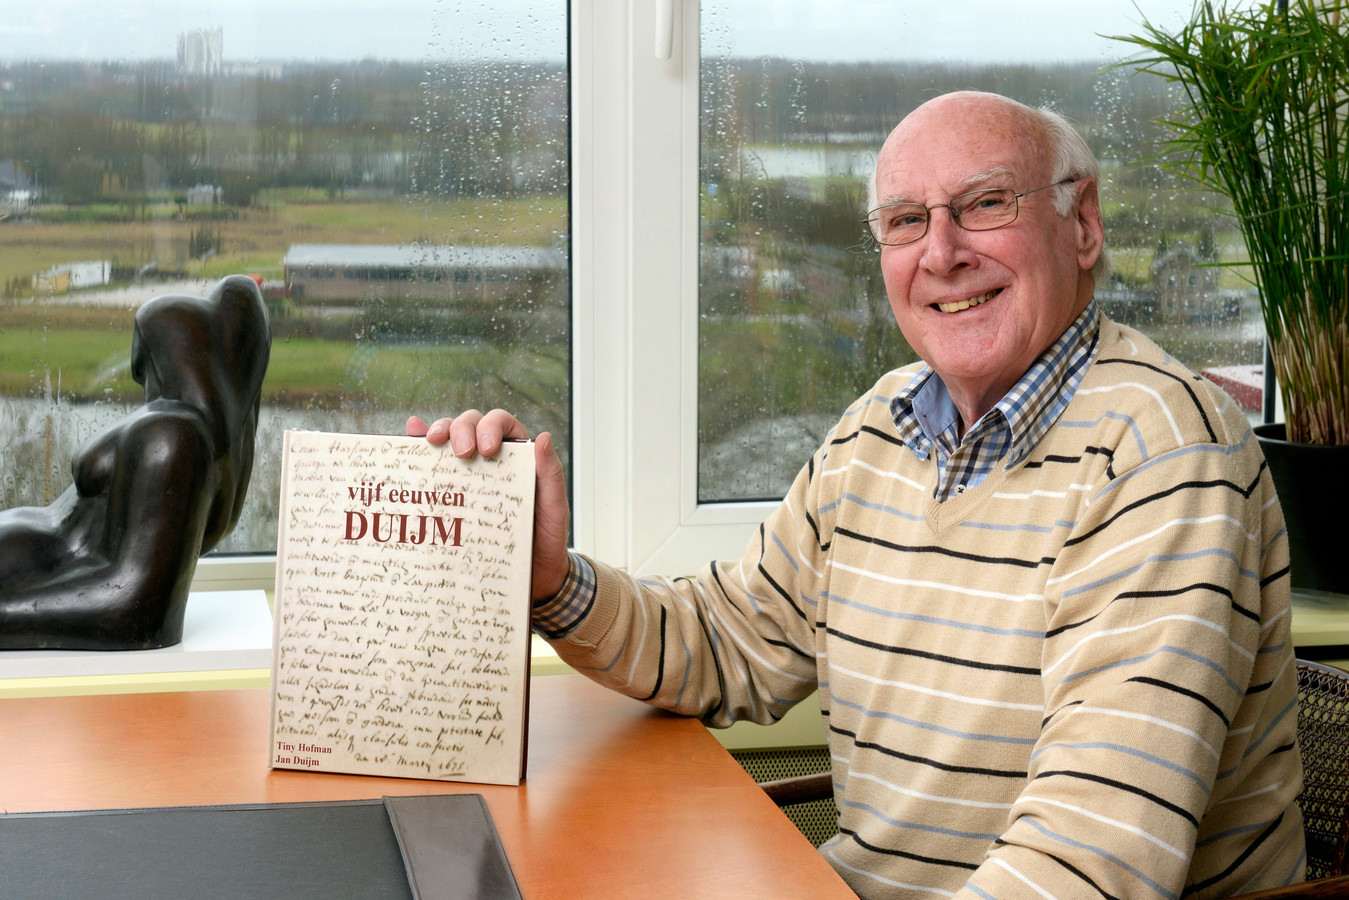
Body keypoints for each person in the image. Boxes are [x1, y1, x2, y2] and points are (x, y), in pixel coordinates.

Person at [409, 91, 1305, 899]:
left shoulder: (1159, 452)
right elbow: (727, 645)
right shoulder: (882, 424)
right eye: (906, 221)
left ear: (1083, 226)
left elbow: (1093, 858)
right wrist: (547, 581)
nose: (943, 252)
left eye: (986, 204)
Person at [0, 275, 271, 651]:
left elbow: (135, 608)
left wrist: (8, 614)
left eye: (145, 369)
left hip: (29, 579)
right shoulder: (181, 432)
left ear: (168, 359)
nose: (144, 385)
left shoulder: (174, 437)